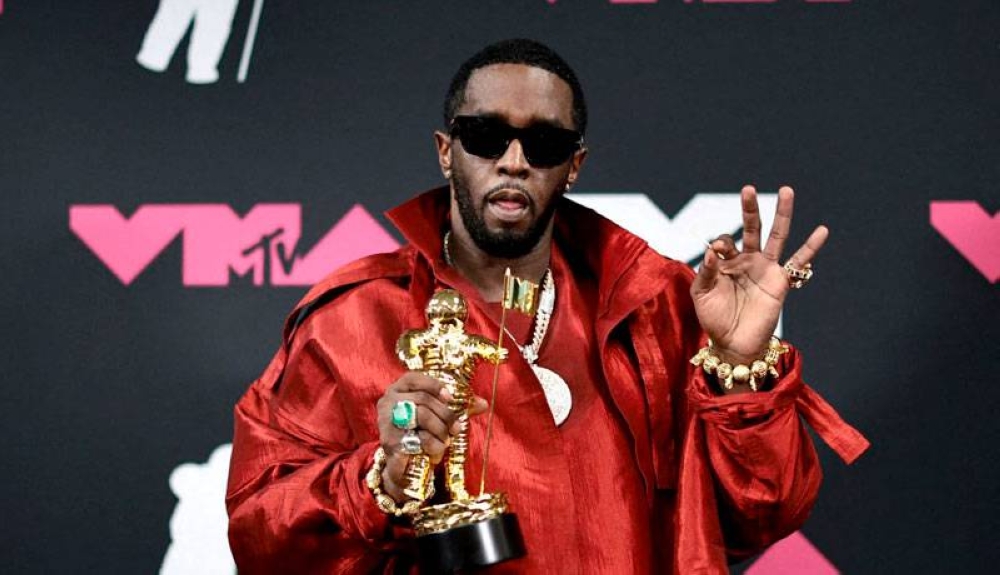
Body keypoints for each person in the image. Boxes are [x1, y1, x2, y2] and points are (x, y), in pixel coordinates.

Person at [226, 38, 869, 574]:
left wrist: (742, 369)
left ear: (574, 165)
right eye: (486, 136)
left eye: (545, 145)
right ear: (446, 151)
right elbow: (261, 536)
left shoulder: (661, 309)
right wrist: (380, 480)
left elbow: (761, 514)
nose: (513, 162)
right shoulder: (350, 320)